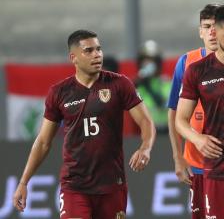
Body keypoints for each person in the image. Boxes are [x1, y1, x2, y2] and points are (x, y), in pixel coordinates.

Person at [12, 30, 156, 219]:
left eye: (99, 49)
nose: (97, 54)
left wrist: (145, 148)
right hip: (75, 186)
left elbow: (146, 121)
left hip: (112, 185)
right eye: (88, 50)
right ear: (74, 57)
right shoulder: (59, 92)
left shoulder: (119, 84)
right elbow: (43, 142)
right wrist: (24, 182)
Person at [175, 3, 224, 219]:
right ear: (214, 32)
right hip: (216, 168)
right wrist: (198, 139)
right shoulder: (197, 70)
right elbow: (180, 119)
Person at [167, 3, 219, 219]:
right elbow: (173, 111)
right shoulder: (187, 62)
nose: (212, 32)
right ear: (200, 31)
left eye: (217, 26)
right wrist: (178, 157)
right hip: (197, 162)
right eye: (206, 26)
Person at [135, 40, 170, 132]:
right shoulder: (137, 86)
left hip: (165, 132)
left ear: (158, 63)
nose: (147, 64)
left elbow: (163, 104)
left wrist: (149, 88)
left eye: (151, 61)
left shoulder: (165, 83)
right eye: (144, 60)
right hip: (144, 133)